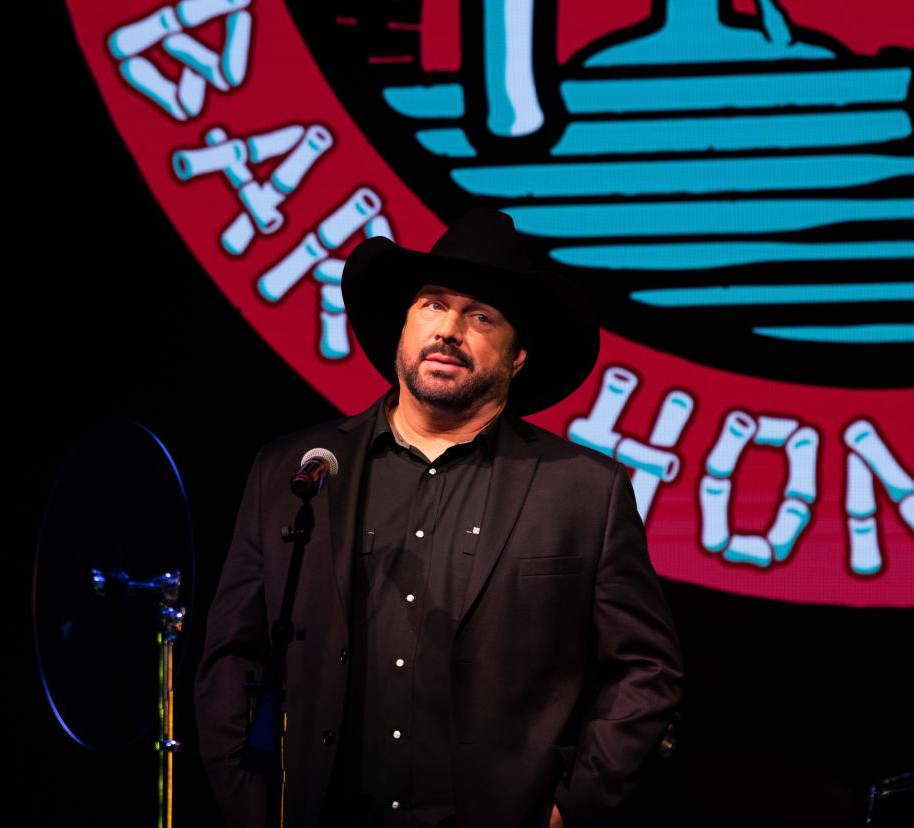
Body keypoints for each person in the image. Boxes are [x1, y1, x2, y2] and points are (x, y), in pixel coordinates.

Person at [195, 209, 684, 828]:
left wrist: (570, 805)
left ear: (518, 357)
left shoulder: (586, 492)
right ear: (402, 328)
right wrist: (253, 804)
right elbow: (233, 655)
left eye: (480, 316)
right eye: (432, 305)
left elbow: (647, 669)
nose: (449, 330)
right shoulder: (294, 473)